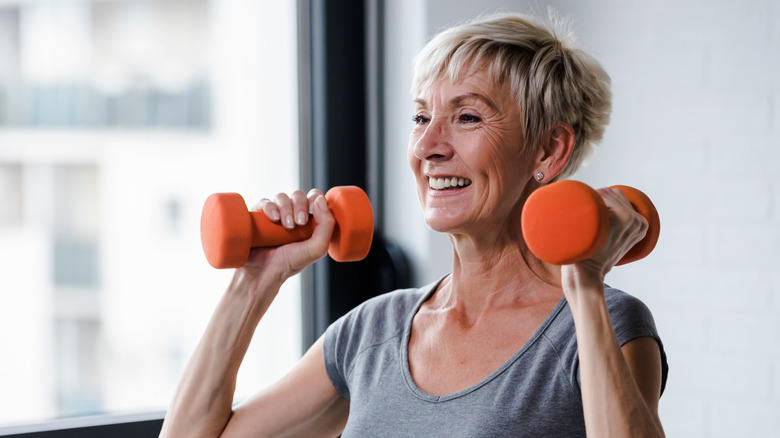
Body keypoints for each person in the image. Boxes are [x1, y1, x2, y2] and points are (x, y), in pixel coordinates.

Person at [160, 11, 668, 438]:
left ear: (549, 150)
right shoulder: (372, 332)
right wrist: (254, 281)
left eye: (467, 117)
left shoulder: (602, 323)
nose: (428, 147)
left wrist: (582, 282)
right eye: (421, 118)